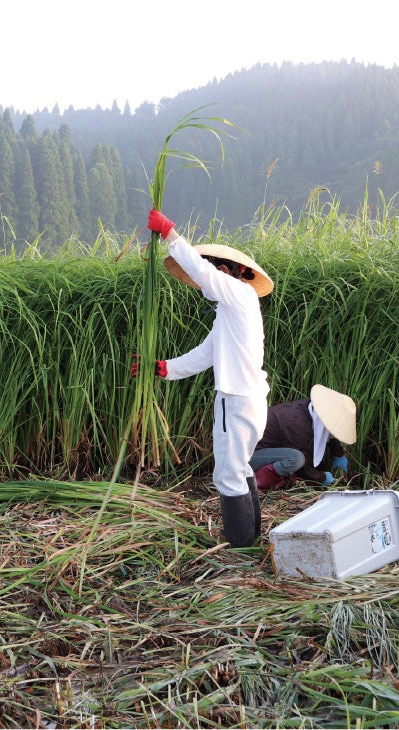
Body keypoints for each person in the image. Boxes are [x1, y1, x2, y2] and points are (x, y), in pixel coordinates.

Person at [134, 209, 274, 548]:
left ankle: (240, 547)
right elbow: (206, 353)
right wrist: (165, 368)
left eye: (211, 275)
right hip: (249, 399)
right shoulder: (233, 310)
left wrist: (170, 234)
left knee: (228, 474)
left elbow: (201, 271)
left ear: (224, 272)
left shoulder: (236, 293)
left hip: (236, 400)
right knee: (239, 469)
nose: (202, 284)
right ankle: (250, 540)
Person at [252, 384, 357, 490]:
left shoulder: (309, 407)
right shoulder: (296, 423)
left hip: (260, 449)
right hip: (247, 458)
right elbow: (302, 468)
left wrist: (338, 454)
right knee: (295, 459)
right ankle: (254, 482)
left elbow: (329, 431)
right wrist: (322, 477)